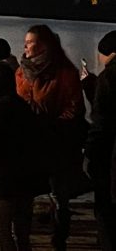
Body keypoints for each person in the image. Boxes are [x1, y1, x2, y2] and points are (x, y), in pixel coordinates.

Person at [15, 24, 85, 251]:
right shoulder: (21, 71)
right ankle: (22, 240)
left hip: (56, 143)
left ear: (44, 45)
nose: (25, 46)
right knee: (24, 194)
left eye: (30, 42)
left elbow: (74, 108)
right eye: (25, 42)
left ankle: (59, 240)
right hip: (27, 142)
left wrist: (52, 125)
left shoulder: (65, 72)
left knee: (58, 195)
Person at [0, 62, 48, 251]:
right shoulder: (24, 107)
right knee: (22, 232)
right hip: (26, 178)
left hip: (2, 181)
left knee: (2, 230)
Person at [84, 30, 116, 250]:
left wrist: (90, 154)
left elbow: (102, 120)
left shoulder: (110, 77)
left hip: (110, 159)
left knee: (107, 213)